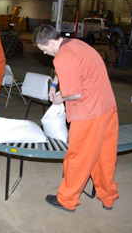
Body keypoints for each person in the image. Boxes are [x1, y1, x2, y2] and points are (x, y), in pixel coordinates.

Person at [32, 24, 119, 212]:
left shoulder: (62, 56)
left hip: (89, 114)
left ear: (51, 42)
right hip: (108, 107)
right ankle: (108, 197)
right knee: (104, 157)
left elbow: (75, 94)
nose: (45, 53)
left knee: (78, 157)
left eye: (44, 49)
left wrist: (59, 98)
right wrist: (54, 85)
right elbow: (64, 71)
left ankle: (67, 200)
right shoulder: (76, 44)